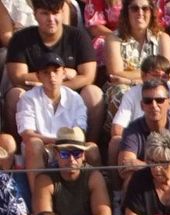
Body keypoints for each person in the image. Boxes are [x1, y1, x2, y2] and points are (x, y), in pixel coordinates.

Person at [4, 0, 102, 139]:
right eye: (45, 14)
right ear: (35, 14)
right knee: (14, 95)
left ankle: (89, 147)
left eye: (55, 13)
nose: (51, 19)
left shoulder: (78, 37)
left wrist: (55, 85)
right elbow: (17, 76)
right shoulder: (20, 39)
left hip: (71, 95)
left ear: (62, 13)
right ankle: (19, 151)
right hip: (33, 95)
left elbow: (88, 76)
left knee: (94, 93)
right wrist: (61, 75)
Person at [34, 129, 116, 215]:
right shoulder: (45, 179)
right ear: (56, 154)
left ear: (83, 155)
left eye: (76, 153)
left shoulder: (93, 176)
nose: (71, 159)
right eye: (65, 154)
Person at [16, 53, 92, 196]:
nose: (51, 76)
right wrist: (57, 142)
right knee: (33, 144)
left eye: (56, 71)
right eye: (46, 72)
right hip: (43, 149)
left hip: (69, 147)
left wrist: (63, 146)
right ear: (38, 76)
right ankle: (38, 202)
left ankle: (95, 199)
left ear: (63, 73)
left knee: (93, 150)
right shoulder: (28, 98)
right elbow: (26, 134)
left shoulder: (75, 98)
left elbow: (80, 132)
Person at [102, 0, 170, 122]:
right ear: (126, 12)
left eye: (145, 8)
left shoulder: (163, 38)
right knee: (121, 90)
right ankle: (123, 135)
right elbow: (115, 73)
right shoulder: (113, 39)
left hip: (153, 87)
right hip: (121, 87)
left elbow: (168, 74)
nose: (140, 13)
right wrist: (151, 75)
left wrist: (130, 80)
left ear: (151, 12)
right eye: (134, 8)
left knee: (166, 91)